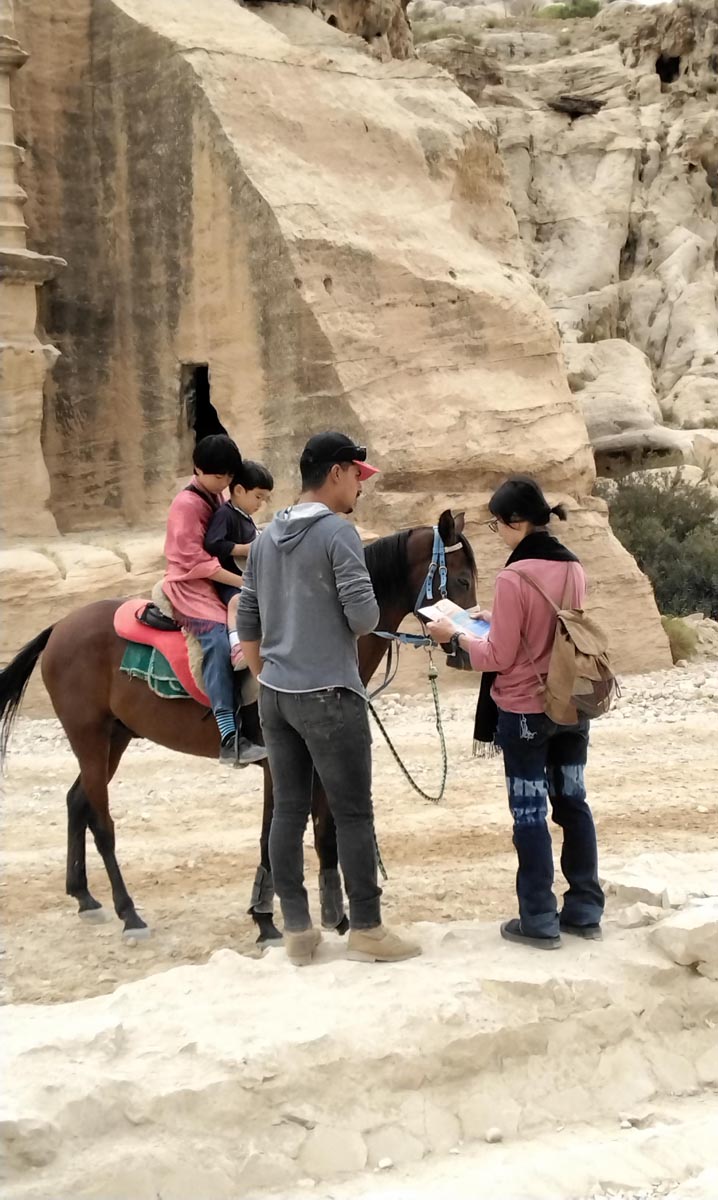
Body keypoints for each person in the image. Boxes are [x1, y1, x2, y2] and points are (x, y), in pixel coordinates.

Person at [237, 431, 421, 966]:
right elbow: (364, 618)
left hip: (275, 696)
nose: (360, 487)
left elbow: (247, 617)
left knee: (288, 812)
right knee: (353, 813)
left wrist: (267, 673)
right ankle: (366, 928)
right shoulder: (339, 533)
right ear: (337, 472)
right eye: (358, 476)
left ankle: (298, 930)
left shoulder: (267, 536)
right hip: (330, 695)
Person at [426, 476, 605, 950]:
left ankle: (539, 918)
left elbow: (498, 656)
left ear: (516, 521)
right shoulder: (573, 566)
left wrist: (454, 635)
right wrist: (496, 619)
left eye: (497, 524)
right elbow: (557, 630)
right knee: (573, 804)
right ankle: (585, 910)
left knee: (529, 814)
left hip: (524, 712)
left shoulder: (514, 576)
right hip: (571, 704)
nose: (498, 532)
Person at [162, 435, 268, 768]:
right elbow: (194, 559)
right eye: (218, 476)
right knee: (217, 642)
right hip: (190, 584)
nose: (224, 482)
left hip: (216, 581)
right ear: (197, 469)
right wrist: (244, 583)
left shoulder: (218, 495)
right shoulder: (186, 505)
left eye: (228, 476)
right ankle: (229, 736)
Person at [204, 460, 274, 665]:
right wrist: (243, 549)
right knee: (237, 603)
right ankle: (237, 646)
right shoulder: (225, 514)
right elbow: (213, 544)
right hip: (230, 580)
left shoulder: (245, 516)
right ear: (239, 490)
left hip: (248, 577)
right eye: (258, 497)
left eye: (264, 499)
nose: (260, 504)